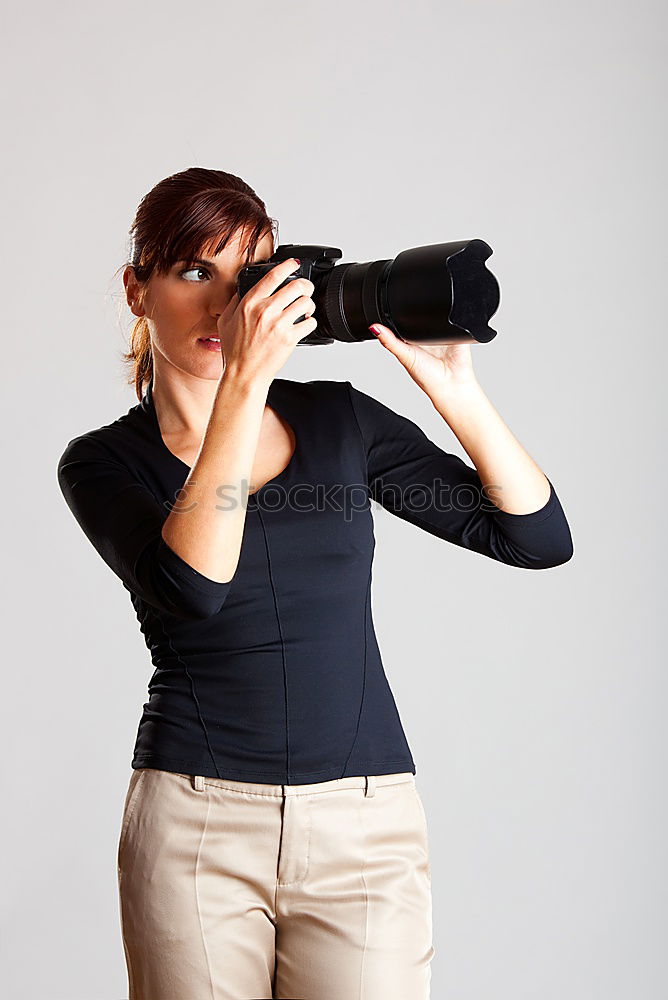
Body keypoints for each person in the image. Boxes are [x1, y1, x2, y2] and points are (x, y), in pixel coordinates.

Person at [57, 167, 573, 1000]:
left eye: (248, 275)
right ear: (137, 289)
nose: (226, 305)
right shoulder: (103, 461)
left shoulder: (338, 420)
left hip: (365, 826)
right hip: (196, 826)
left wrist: (457, 392)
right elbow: (193, 584)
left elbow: (537, 539)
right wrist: (245, 385)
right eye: (195, 271)